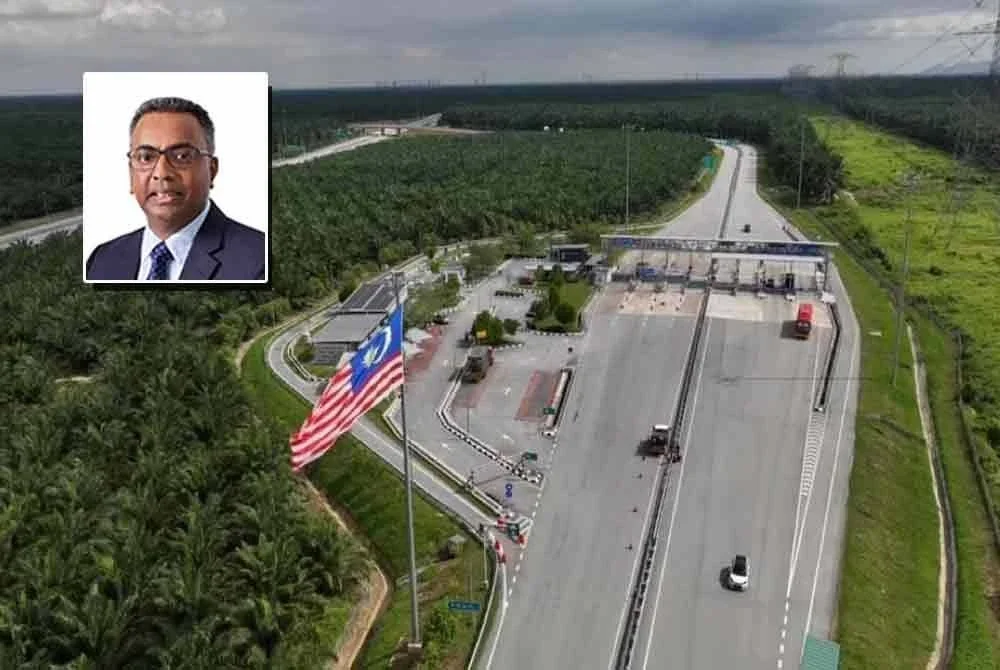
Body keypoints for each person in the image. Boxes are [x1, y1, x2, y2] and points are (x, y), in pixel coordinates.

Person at [86, 96, 265, 281]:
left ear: (212, 170)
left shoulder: (259, 260)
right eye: (146, 157)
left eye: (181, 156)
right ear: (131, 174)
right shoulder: (103, 260)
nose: (162, 173)